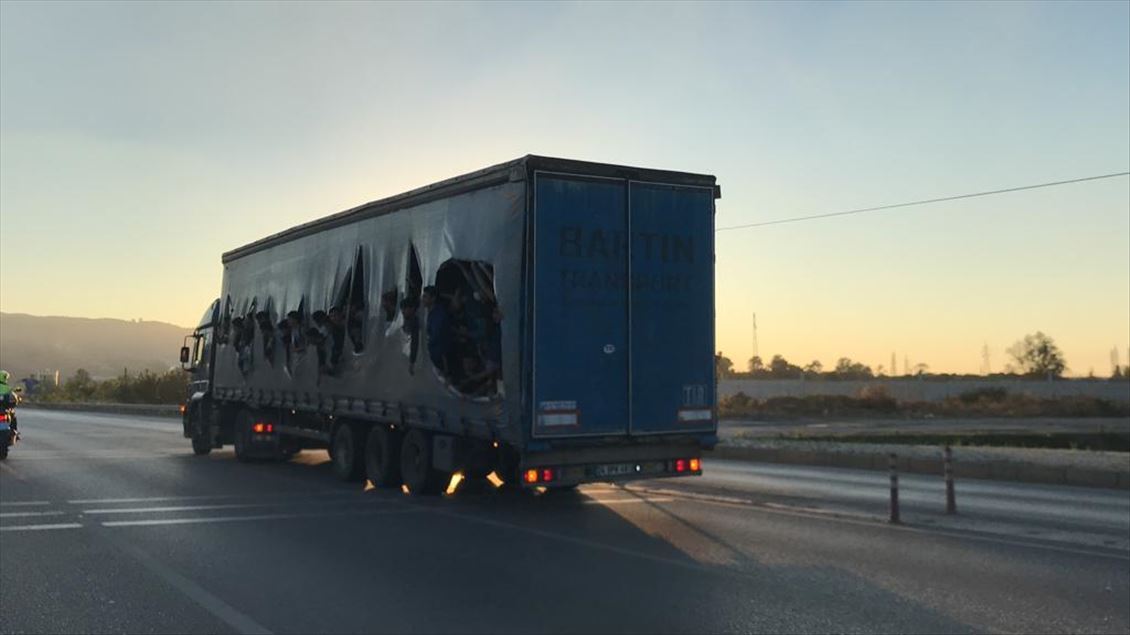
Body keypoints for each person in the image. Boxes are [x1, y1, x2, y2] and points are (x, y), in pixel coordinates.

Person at [422, 286, 450, 376]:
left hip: (439, 356)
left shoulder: (439, 315)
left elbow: (436, 336)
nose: (423, 299)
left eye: (425, 296)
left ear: (433, 298)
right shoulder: (431, 313)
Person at [0, 370, 18, 437]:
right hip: (4, 409)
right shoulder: (8, 388)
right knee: (13, 415)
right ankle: (14, 431)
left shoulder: (8, 388)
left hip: (4, 410)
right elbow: (14, 399)